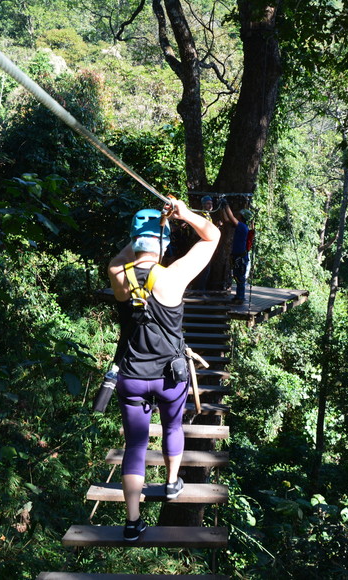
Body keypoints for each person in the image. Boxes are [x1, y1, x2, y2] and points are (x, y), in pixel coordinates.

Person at [107, 199, 220, 541]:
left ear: (133, 240)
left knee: (135, 446)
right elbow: (211, 236)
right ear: (165, 243)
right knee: (172, 425)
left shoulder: (117, 275)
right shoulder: (174, 277)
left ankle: (132, 522)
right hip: (170, 376)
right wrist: (183, 214)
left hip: (131, 377)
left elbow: (121, 258)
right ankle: (171, 483)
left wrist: (143, 234)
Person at [221, 204, 253, 302]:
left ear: (242, 217)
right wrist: (222, 209)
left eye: (239, 215)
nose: (238, 216)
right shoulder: (240, 227)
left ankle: (240, 297)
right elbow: (227, 220)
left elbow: (231, 217)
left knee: (240, 277)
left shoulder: (243, 227)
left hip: (241, 257)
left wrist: (226, 205)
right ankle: (239, 296)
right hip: (237, 256)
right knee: (237, 276)